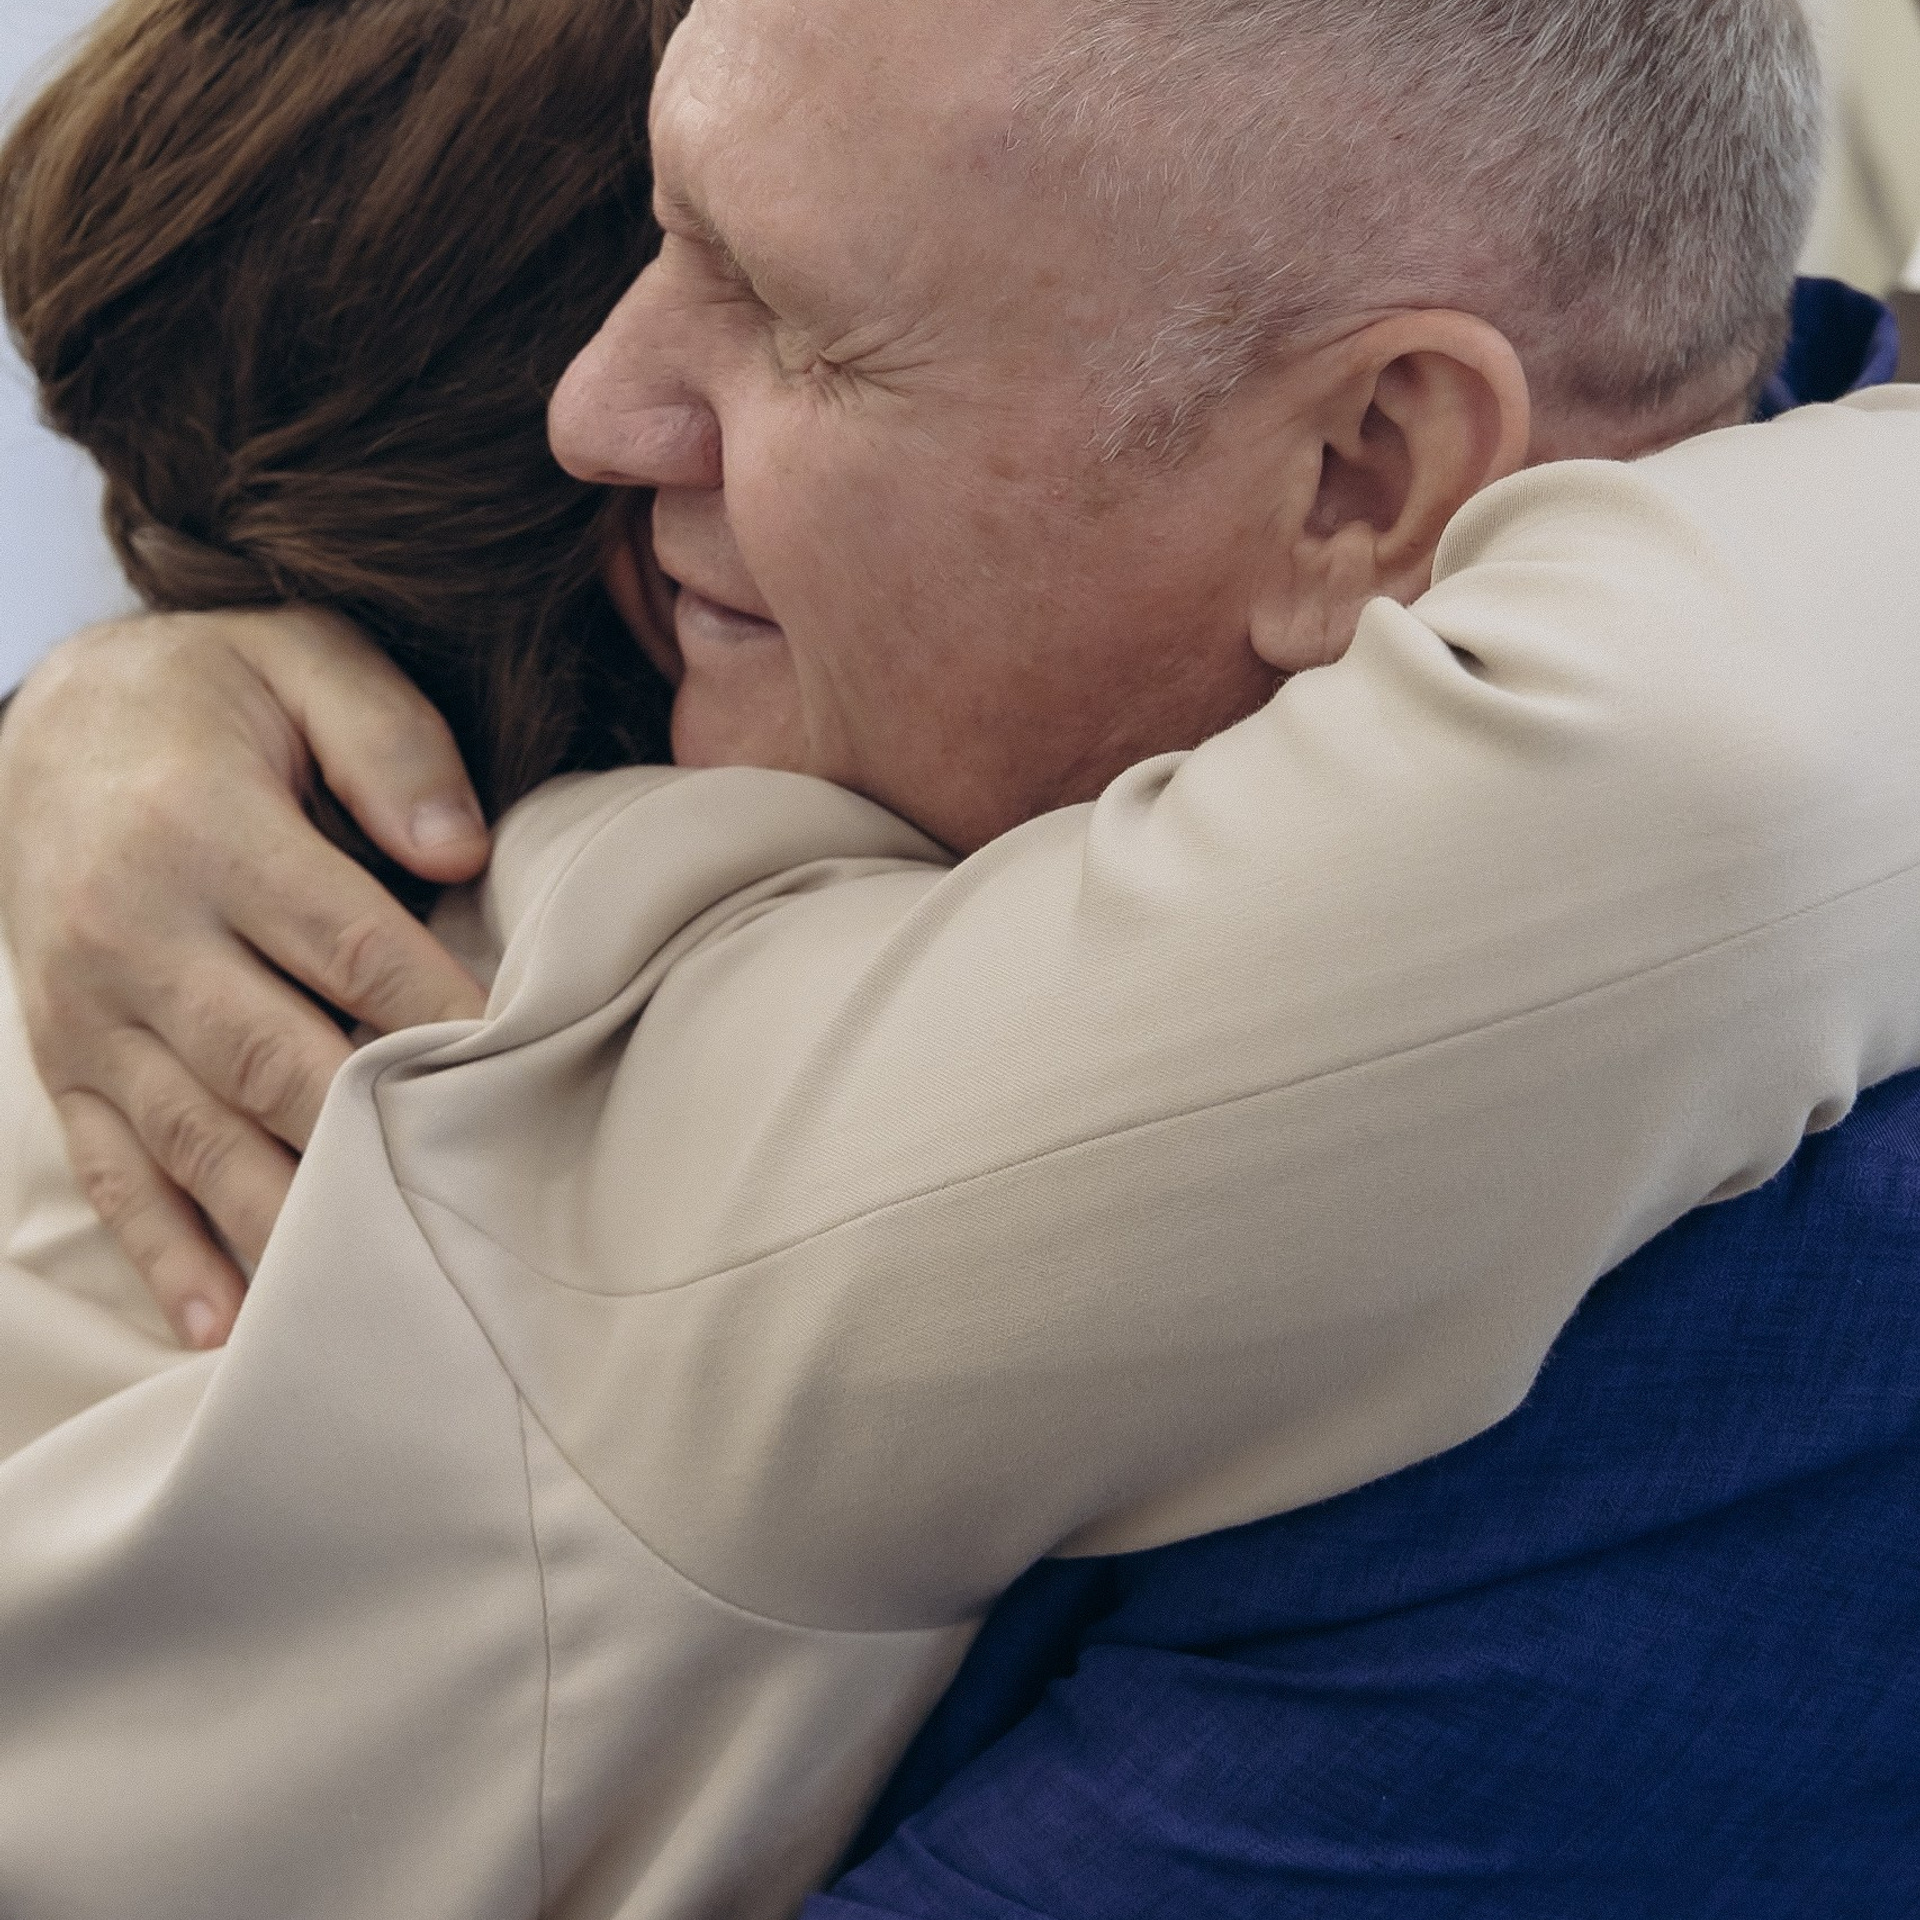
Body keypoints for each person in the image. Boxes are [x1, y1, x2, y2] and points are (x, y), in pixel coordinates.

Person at [1, 0, 1919, 1915]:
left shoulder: (1753, 1305)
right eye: (656, 237)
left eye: (789, 315)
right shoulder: (545, 923)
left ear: (1358, 473)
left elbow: (1704, 770)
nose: (603, 406)